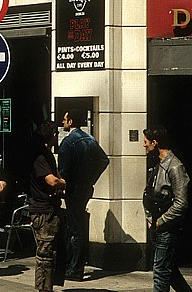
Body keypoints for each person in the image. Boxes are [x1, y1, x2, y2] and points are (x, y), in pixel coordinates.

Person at [58, 109, 109, 281]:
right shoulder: (90, 140)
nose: (62, 122)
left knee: (74, 229)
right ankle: (74, 266)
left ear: (71, 121)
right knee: (77, 226)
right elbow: (104, 160)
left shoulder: (67, 143)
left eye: (64, 119)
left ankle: (74, 268)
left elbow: (63, 171)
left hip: (72, 189)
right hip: (85, 188)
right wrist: (90, 179)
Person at [142, 127, 192, 292]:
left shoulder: (175, 167)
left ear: (155, 143)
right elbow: (148, 194)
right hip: (157, 225)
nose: (144, 146)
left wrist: (160, 222)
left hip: (167, 227)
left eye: (146, 142)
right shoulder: (158, 165)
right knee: (167, 271)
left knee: (161, 272)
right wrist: (150, 219)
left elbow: (181, 203)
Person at [29, 121, 66, 292]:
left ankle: (47, 287)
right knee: (45, 253)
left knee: (50, 252)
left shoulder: (45, 154)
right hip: (43, 210)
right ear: (51, 135)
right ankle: (44, 288)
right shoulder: (40, 157)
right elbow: (51, 180)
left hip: (48, 208)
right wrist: (63, 183)